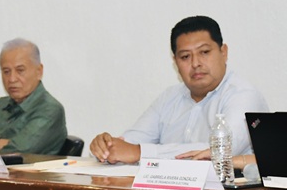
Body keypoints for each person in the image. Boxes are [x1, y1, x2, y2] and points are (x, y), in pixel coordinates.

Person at [89, 16, 268, 165]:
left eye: (204, 52)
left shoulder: (244, 96)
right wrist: (106, 147)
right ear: (175, 62)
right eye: (185, 56)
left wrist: (140, 152)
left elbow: (218, 150)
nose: (196, 63)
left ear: (224, 52)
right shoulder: (170, 97)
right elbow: (129, 143)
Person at [0, 38, 67, 154]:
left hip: (30, 172)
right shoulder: (1, 105)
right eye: (6, 71)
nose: (12, 79)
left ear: (39, 71)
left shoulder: (50, 109)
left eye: (20, 70)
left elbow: (18, 151)